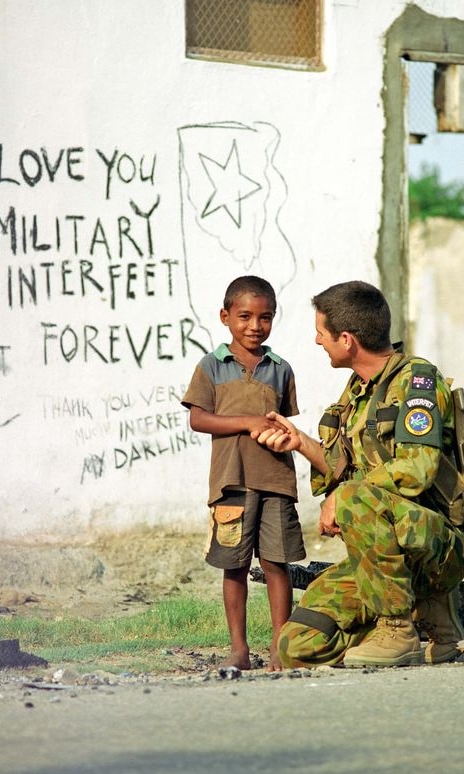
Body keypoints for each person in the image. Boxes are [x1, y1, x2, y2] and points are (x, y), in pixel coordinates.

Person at [252, 280, 464, 668]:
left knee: (355, 496)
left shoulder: (417, 380)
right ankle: (424, 620)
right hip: (383, 562)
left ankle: (398, 632)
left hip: (437, 547)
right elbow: (344, 471)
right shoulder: (357, 393)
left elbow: (416, 470)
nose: (317, 340)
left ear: (347, 340)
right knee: (296, 647)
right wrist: (301, 443)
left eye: (322, 333)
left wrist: (346, 494)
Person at [182, 275, 305, 671]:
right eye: (245, 316)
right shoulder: (211, 367)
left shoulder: (280, 369)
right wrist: (247, 422)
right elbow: (198, 420)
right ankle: (239, 648)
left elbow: (284, 423)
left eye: (265, 317)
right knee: (234, 565)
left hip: (275, 481)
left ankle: (279, 646)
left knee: (275, 563)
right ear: (225, 316)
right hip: (231, 482)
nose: (255, 326)